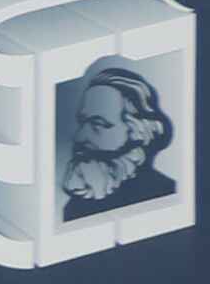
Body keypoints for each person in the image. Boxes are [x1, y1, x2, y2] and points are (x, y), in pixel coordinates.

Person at [64, 62, 178, 216]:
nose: (79, 137)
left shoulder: (165, 194)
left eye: (98, 124)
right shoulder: (75, 207)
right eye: (82, 122)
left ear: (138, 131)